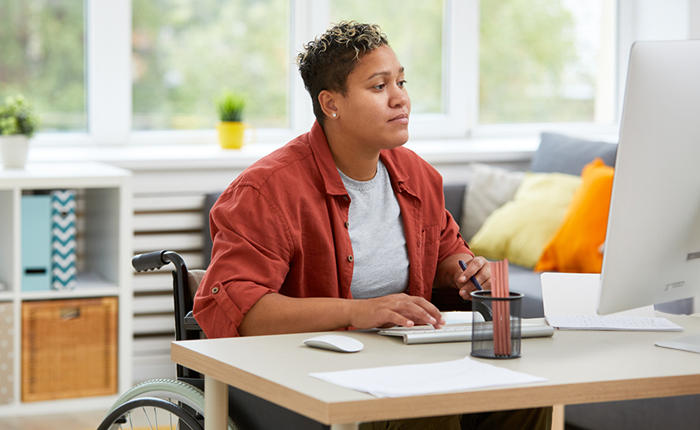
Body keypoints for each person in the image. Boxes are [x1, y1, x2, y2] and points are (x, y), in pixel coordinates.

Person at [194, 21, 551, 430]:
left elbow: (445, 248)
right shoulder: (265, 191)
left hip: (400, 363)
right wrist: (361, 312)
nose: (401, 98)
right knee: (428, 412)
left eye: (401, 81)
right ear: (332, 104)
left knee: (526, 397)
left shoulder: (417, 175)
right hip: (303, 372)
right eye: (379, 87)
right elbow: (245, 312)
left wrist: (464, 270)